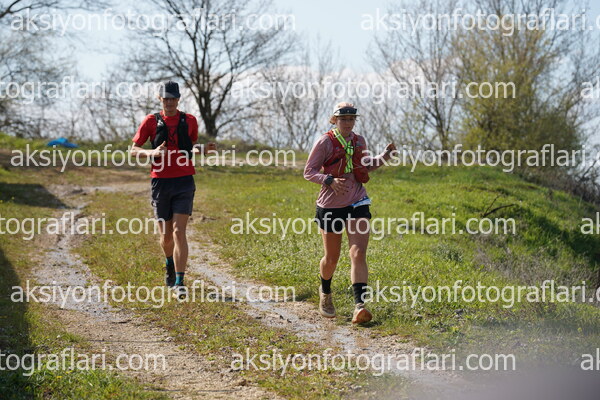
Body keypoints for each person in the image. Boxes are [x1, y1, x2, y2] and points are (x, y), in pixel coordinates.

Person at [304, 102, 396, 324]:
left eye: (351, 119)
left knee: (358, 252)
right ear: (334, 120)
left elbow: (363, 166)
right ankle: (325, 292)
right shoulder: (325, 142)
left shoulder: (359, 141)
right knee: (331, 258)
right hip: (331, 206)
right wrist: (329, 180)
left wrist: (385, 156)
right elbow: (309, 171)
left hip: (357, 201)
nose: (348, 123)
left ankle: (359, 306)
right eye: (343, 119)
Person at [130, 80, 214, 300]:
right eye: (166, 98)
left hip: (184, 181)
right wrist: (152, 153)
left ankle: (179, 282)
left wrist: (204, 149)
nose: (169, 102)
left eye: (173, 98)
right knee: (166, 237)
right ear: (160, 99)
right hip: (161, 183)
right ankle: (169, 263)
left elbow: (190, 146)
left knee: (179, 232)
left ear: (178, 99)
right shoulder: (150, 121)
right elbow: (134, 150)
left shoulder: (190, 120)